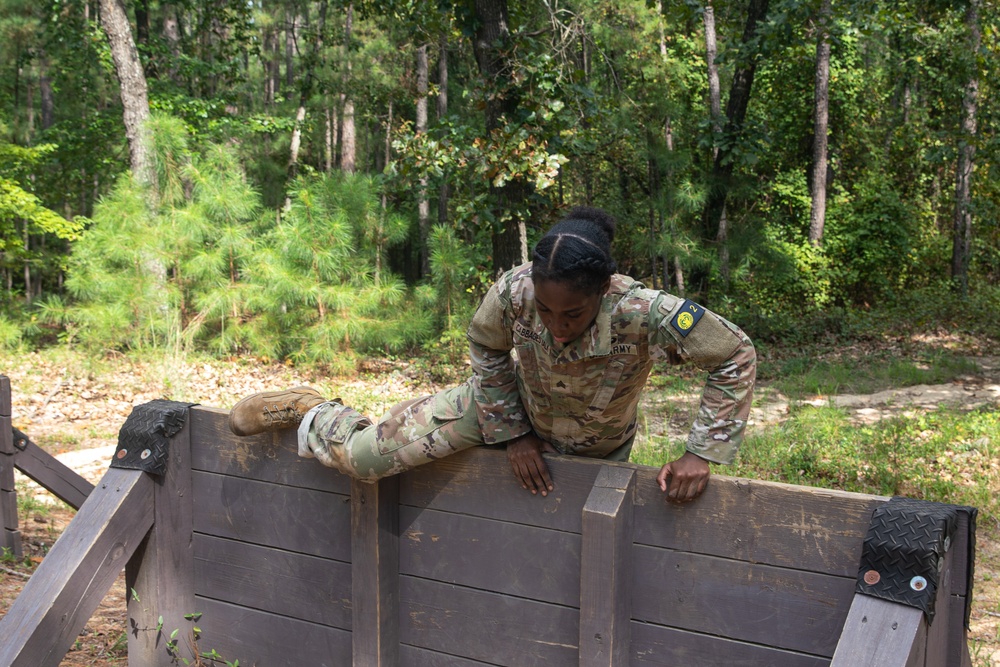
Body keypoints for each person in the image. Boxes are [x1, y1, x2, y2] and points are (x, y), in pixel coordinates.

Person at [228, 206, 756, 502]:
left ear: (603, 290)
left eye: (572, 315)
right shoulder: (514, 290)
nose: (556, 326)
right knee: (364, 461)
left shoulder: (644, 308)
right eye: (546, 312)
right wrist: (513, 433)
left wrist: (702, 451)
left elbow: (735, 354)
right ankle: (313, 411)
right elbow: (485, 345)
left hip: (596, 445)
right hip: (503, 410)